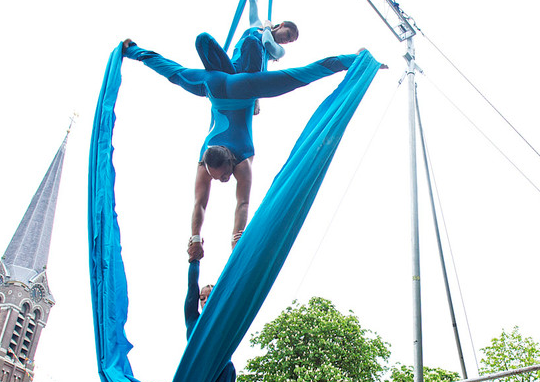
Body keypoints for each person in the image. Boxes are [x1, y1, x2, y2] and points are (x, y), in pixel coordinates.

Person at [121, 38, 361, 252]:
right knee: (174, 72)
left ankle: (355, 59)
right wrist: (195, 237)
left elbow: (241, 203)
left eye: (223, 176)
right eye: (216, 177)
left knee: (300, 76)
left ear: (232, 163)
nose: (220, 180)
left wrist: (237, 236)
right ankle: (132, 49)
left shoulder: (243, 161)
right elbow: (202, 203)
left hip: (243, 86)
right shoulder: (206, 162)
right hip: (216, 82)